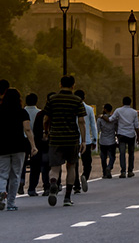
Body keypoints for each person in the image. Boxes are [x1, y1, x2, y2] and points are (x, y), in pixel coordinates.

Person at [43, 76, 86, 207]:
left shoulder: (52, 99)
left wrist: (47, 132)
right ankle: (67, 197)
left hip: (55, 138)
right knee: (71, 166)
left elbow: (46, 119)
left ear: (60, 84)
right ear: (73, 85)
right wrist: (83, 140)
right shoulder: (77, 100)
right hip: (72, 138)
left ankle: (53, 182)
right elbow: (81, 121)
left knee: (55, 167)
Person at [0, 89, 38, 211]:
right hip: (19, 146)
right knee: (15, 174)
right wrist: (33, 145)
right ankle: (11, 203)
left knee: (2, 173)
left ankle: (1, 192)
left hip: (2, 146)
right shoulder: (22, 112)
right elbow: (27, 129)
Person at [108, 96, 139, 178]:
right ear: (130, 103)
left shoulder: (118, 110)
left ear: (122, 102)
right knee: (131, 153)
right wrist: (138, 136)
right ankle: (130, 171)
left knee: (122, 153)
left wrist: (103, 117)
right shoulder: (134, 112)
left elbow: (111, 119)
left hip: (121, 134)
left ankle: (123, 171)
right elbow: (136, 126)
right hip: (131, 135)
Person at [28, 93, 52, 196]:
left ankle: (31, 188)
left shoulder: (40, 114)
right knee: (46, 167)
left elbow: (35, 130)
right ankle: (47, 187)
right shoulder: (56, 114)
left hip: (38, 144)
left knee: (35, 167)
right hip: (49, 145)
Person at [72, 90, 97, 194]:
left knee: (74, 164)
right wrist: (95, 139)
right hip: (86, 140)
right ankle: (85, 176)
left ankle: (76, 185)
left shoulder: (72, 108)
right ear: (84, 97)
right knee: (87, 163)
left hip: (74, 139)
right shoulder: (89, 109)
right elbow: (93, 124)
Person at [19, 93, 40, 195]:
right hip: (35, 140)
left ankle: (21, 180)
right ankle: (32, 188)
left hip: (22, 140)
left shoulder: (21, 112)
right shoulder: (39, 113)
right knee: (35, 165)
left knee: (21, 163)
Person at [96, 104, 117, 178]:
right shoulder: (114, 119)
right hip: (111, 141)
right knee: (112, 157)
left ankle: (105, 173)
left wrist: (95, 139)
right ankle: (109, 167)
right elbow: (116, 129)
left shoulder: (100, 119)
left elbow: (97, 130)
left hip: (103, 141)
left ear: (105, 109)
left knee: (103, 158)